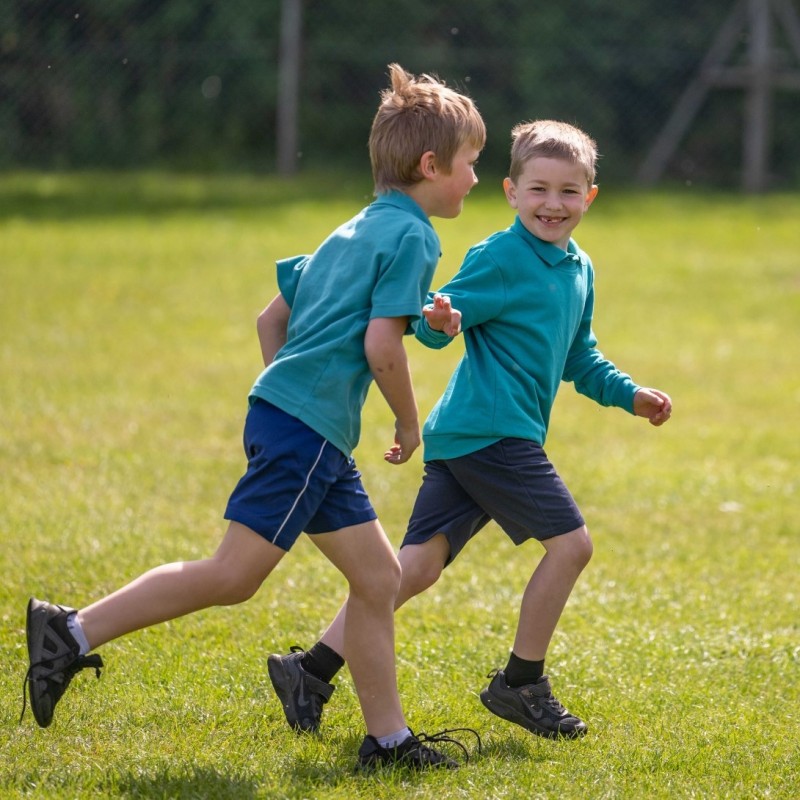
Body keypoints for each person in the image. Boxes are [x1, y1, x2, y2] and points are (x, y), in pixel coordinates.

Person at [21, 63, 486, 771]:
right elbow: (377, 343)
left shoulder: (353, 229)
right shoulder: (415, 237)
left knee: (379, 580)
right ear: (431, 165)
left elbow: (276, 315)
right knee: (234, 575)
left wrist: (294, 389)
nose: (475, 180)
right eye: (471, 165)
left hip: (300, 427)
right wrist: (407, 423)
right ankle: (72, 632)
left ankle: (387, 741)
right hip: (306, 433)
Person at [267, 119, 673, 741]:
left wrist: (631, 395)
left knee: (415, 569)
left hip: (468, 437)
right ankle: (520, 682)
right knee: (572, 546)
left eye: (569, 192)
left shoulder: (578, 269)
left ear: (590, 196)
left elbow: (578, 358)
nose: (552, 204)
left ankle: (310, 669)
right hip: (492, 433)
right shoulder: (500, 256)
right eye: (538, 190)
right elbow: (429, 325)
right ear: (511, 192)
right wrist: (443, 320)